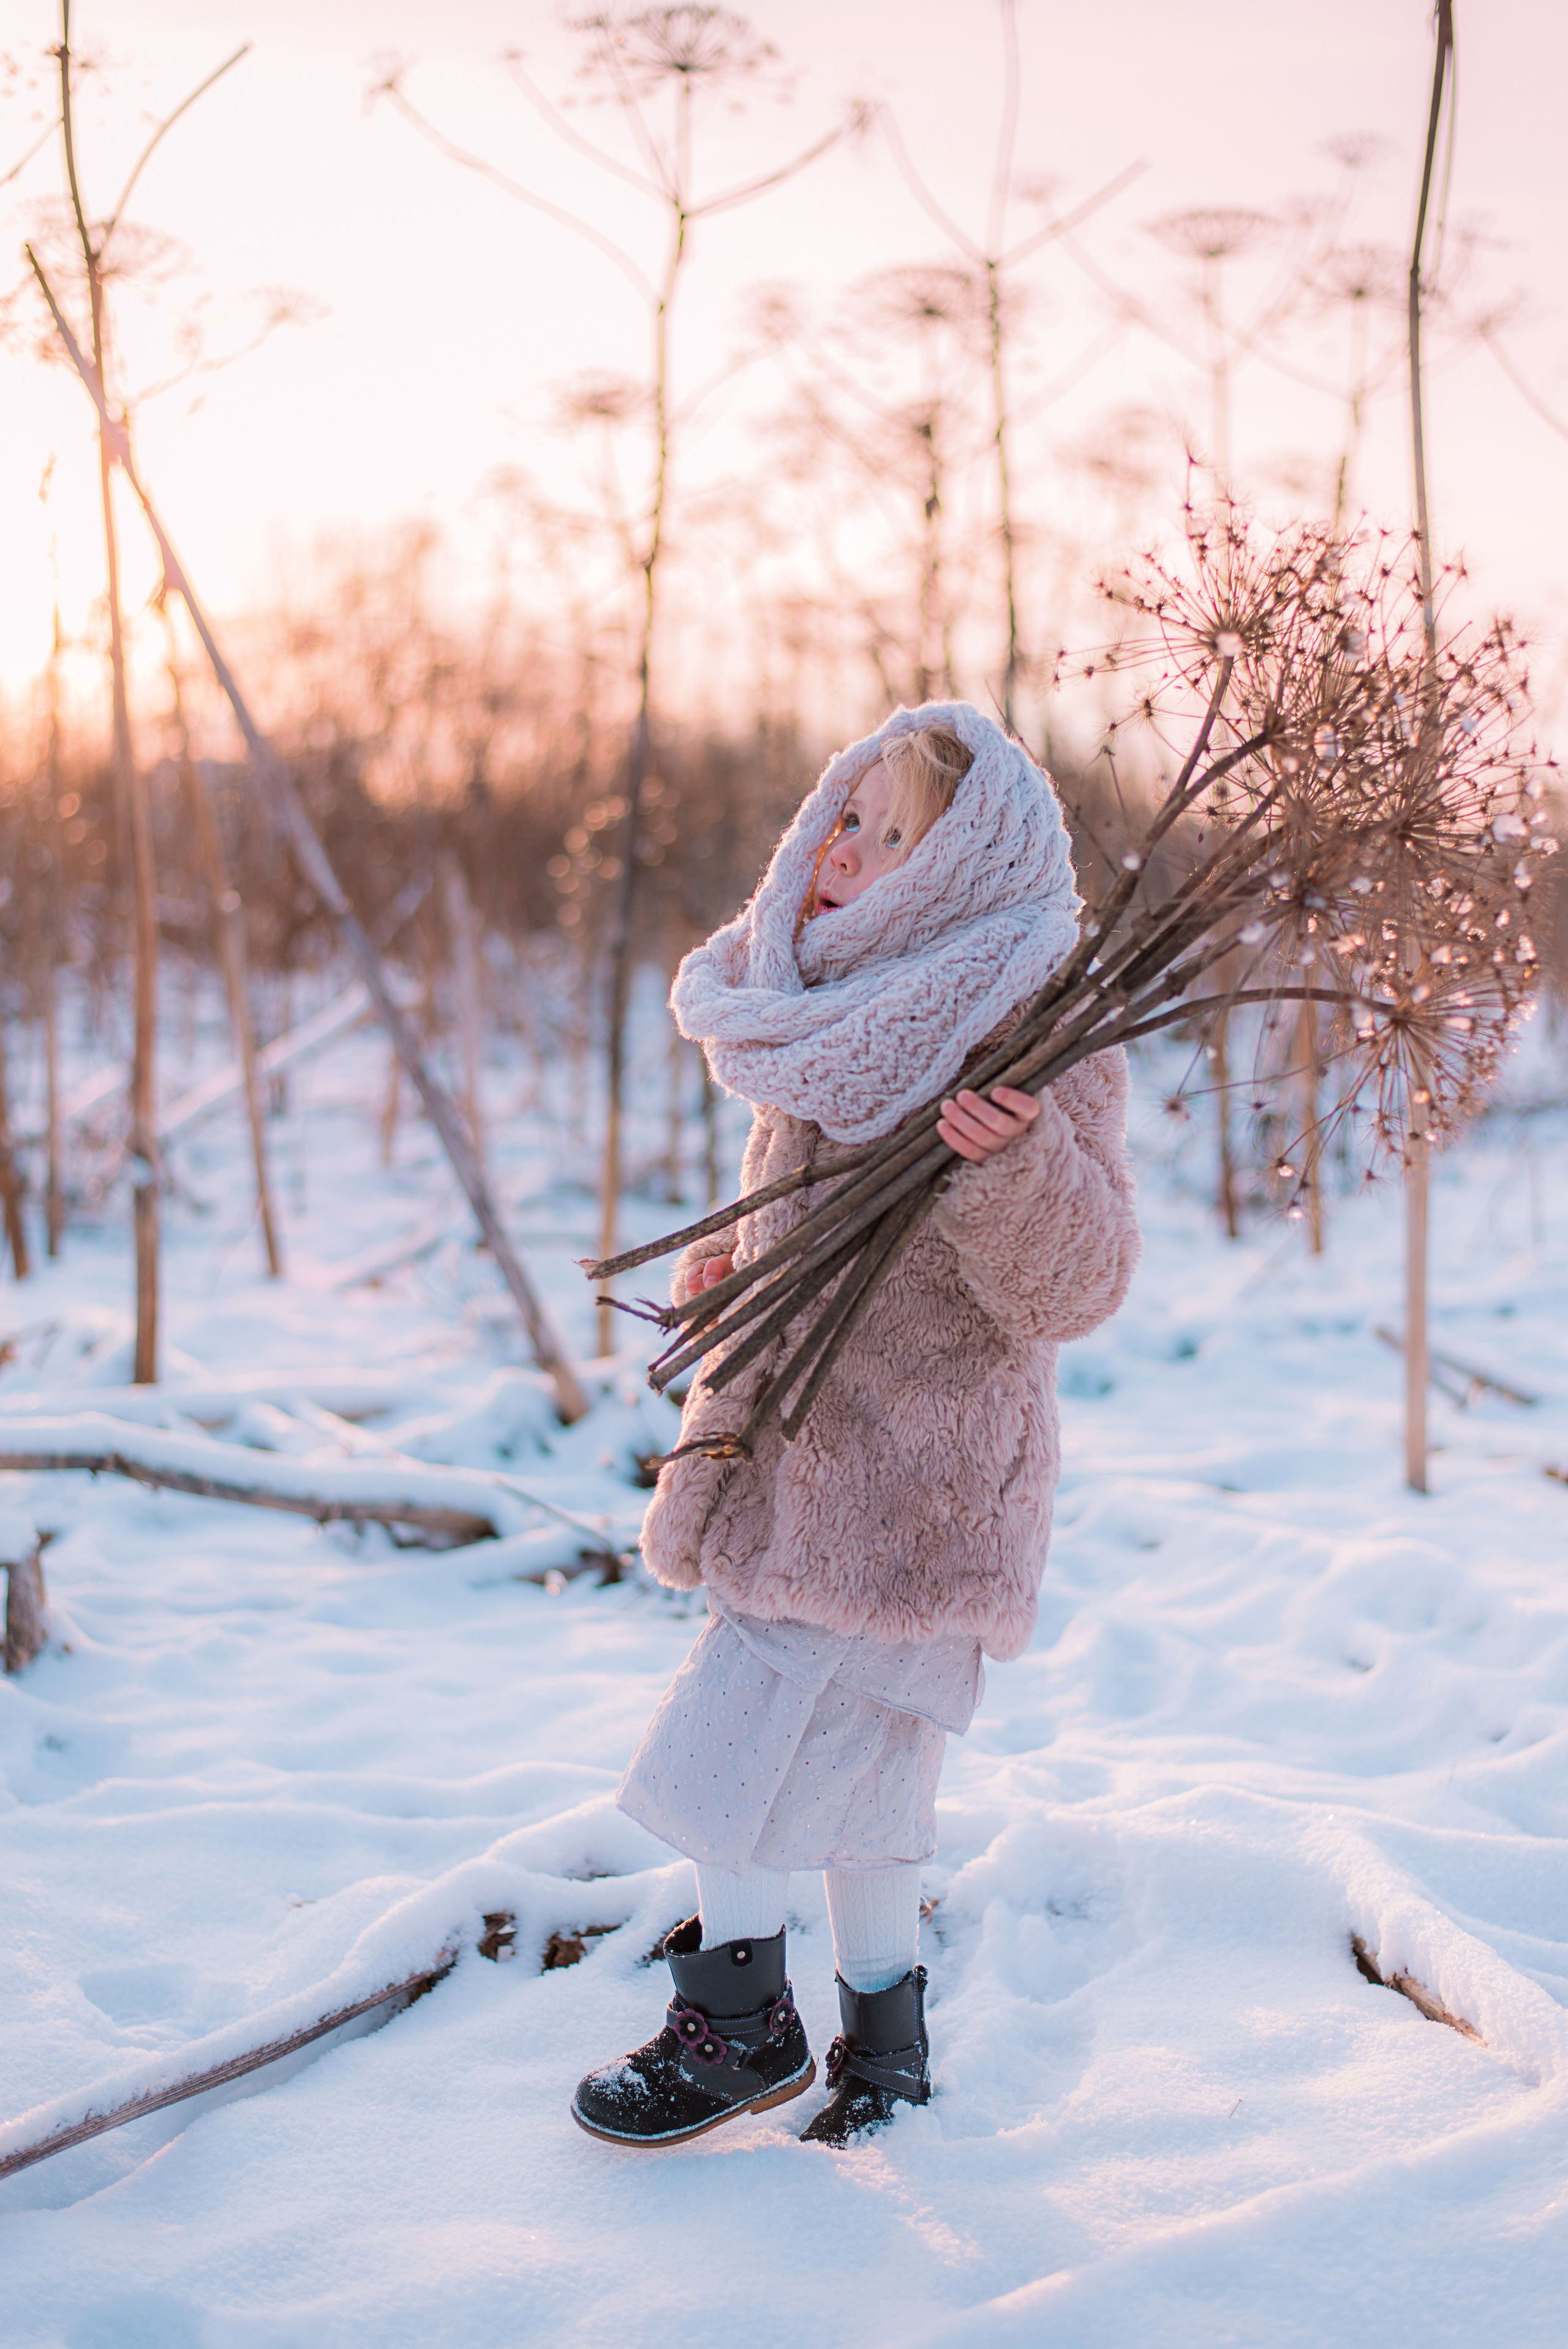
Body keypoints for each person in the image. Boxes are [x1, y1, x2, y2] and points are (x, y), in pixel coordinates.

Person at [571, 702, 1140, 2149]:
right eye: (847, 812)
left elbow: (1077, 1283)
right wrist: (743, 1272)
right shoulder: (833, 1009)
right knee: (857, 1792)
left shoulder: (1029, 1026)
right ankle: (882, 2060)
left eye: (895, 835)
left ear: (960, 875)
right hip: (798, 1458)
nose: (848, 845)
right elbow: (821, 1233)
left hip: (923, 1483)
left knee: (734, 1760)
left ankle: (737, 2031)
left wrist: (1010, 1167)